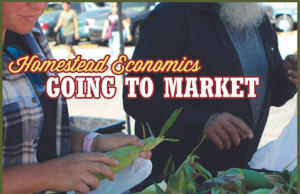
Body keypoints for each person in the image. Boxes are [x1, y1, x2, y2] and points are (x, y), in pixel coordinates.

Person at [2, 2, 151, 194]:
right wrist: (47, 175)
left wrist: (94, 143)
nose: (38, 4)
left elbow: (35, 128)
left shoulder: (30, 35)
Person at [123, 2, 297, 179]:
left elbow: (266, 95)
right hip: (176, 184)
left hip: (234, 180)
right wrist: (200, 123)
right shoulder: (172, 14)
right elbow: (138, 96)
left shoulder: (257, 19)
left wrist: (285, 76)